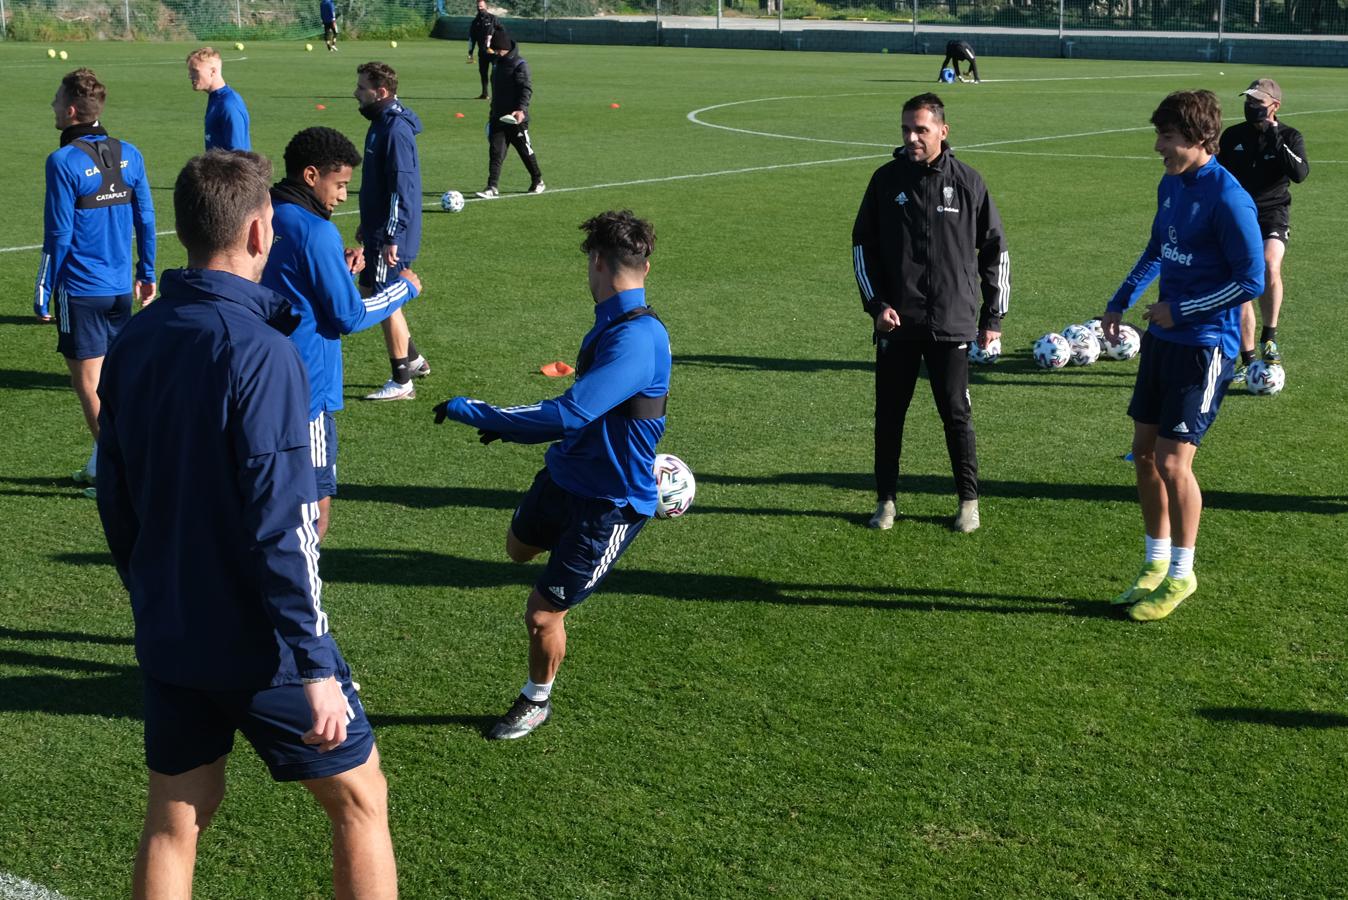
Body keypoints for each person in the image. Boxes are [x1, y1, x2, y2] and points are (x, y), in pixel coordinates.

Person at [96, 150, 396, 898]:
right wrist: (315, 662)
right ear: (260, 233)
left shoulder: (134, 339)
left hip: (171, 630)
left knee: (177, 813)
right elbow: (284, 521)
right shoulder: (260, 352)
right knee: (361, 802)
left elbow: (115, 493)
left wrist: (150, 596)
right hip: (262, 647)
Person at [432, 210, 670, 740]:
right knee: (517, 549)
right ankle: (561, 579)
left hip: (608, 505)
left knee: (542, 615)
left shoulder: (636, 338)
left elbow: (570, 414)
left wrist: (481, 412)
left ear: (598, 261)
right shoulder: (614, 321)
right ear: (645, 267)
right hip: (563, 477)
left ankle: (536, 700)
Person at [1104, 90, 1264, 622]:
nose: (1158, 147)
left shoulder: (1228, 197)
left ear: (1197, 139)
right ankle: (1153, 562)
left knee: (1175, 461)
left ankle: (1182, 573)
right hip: (1164, 343)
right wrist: (1120, 299)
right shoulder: (1171, 183)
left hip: (1205, 346)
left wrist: (1185, 310)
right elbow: (1157, 249)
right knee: (1144, 452)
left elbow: (1251, 279)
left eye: (1167, 138)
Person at [851, 93, 1009, 535]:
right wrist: (877, 305)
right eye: (906, 129)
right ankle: (885, 501)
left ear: (943, 130)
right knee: (889, 416)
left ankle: (968, 500)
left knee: (956, 414)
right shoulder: (885, 180)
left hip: (952, 322)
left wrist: (993, 318)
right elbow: (863, 247)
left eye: (921, 129)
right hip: (897, 324)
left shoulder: (968, 183)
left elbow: (995, 250)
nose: (912, 137)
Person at [262, 127, 424, 539]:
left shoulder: (265, 212)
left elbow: (293, 282)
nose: (342, 195)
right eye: (340, 184)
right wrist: (403, 288)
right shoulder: (316, 232)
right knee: (315, 499)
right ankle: (303, 585)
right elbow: (348, 317)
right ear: (312, 176)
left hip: (262, 374)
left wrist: (339, 265)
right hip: (308, 386)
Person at [34, 68, 155, 499]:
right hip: (121, 288)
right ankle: (102, 458)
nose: (51, 105)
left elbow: (58, 235)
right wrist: (147, 273)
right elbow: (146, 219)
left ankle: (118, 473)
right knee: (115, 381)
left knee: (88, 383)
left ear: (70, 111)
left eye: (55, 100)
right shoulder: (131, 153)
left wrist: (44, 289)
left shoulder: (62, 162)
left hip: (80, 290)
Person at [1217, 78, 1309, 384]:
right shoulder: (1232, 136)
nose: (1251, 106)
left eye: (1258, 102)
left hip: (1273, 213)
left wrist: (1275, 138)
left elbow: (1300, 173)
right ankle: (1248, 359)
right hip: (1239, 215)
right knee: (1243, 279)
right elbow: (1215, 174)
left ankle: (1269, 337)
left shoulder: (1290, 136)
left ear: (1274, 106)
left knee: (1270, 264)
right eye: (1248, 100)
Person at [353, 61, 429, 401]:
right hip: (378, 227)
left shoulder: (394, 130)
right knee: (369, 287)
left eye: (361, 87)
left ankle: (401, 381)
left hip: (390, 235)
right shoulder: (379, 123)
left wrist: (392, 236)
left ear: (380, 92)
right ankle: (413, 359)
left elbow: (403, 189)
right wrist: (366, 221)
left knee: (385, 298)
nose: (355, 92)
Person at [474, 29, 544, 199]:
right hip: (498, 117)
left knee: (525, 151)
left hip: (516, 119)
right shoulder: (497, 62)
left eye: (498, 49)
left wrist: (521, 110)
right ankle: (492, 187)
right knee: (496, 152)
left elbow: (526, 89)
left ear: (505, 48)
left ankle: (537, 180)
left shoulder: (520, 65)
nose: (496, 52)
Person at [186, 47, 251, 152]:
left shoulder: (228, 105)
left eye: (195, 71)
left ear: (213, 71)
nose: (190, 76)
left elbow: (239, 156)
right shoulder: (216, 99)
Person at [466, 0, 500, 100]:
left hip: (493, 52)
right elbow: (472, 38)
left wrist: (500, 49)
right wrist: (470, 52)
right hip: (482, 52)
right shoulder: (475, 21)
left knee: (495, 74)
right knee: (483, 72)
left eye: (481, 6)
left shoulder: (493, 18)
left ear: (486, 6)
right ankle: (484, 94)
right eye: (478, 6)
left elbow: (501, 33)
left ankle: (497, 95)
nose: (480, 8)